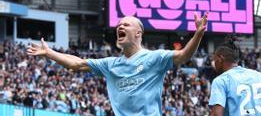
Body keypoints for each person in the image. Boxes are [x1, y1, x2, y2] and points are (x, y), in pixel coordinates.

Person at [27, 12, 208, 116]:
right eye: (119, 25)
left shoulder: (155, 58)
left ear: (139, 33)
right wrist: (50, 53)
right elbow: (76, 64)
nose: (120, 27)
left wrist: (198, 34)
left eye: (126, 25)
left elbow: (184, 56)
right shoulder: (110, 64)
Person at [209, 36, 261, 116]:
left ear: (220, 58)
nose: (214, 63)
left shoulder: (221, 80)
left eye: (214, 59)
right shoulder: (260, 76)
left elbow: (216, 114)